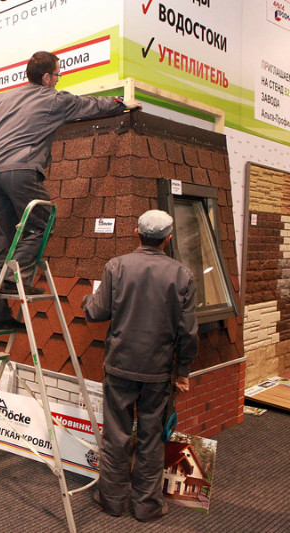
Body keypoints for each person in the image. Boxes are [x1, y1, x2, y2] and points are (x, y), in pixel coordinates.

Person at [0, 50, 141, 331]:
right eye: (59, 74)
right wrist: (122, 103)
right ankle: (15, 280)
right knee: (40, 223)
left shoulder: (1, 100)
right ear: (47, 77)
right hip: (22, 170)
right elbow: (91, 105)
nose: (60, 79)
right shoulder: (53, 99)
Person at [81, 210, 198, 522]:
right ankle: (147, 506)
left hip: (119, 367)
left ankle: (112, 501)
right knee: (151, 438)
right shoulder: (183, 275)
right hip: (158, 371)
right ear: (168, 239)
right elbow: (188, 331)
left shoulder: (115, 266)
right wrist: (183, 371)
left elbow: (96, 312)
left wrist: (86, 300)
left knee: (115, 435)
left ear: (137, 233)